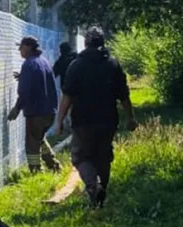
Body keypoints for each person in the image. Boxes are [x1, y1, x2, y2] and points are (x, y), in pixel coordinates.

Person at [53, 27, 137, 208]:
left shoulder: (76, 65)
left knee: (80, 157)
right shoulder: (113, 64)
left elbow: (67, 96)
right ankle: (101, 195)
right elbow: (124, 95)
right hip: (108, 119)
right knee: (103, 156)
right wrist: (130, 117)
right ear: (103, 43)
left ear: (86, 43)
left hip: (83, 120)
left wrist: (59, 121)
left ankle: (93, 186)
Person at [7, 36, 62, 173]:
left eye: (21, 47)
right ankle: (54, 165)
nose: (20, 50)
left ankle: (36, 171)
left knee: (32, 144)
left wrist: (16, 108)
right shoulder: (44, 62)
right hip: (50, 111)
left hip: (36, 112)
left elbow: (25, 91)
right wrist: (23, 76)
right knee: (39, 138)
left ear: (28, 47)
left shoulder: (28, 64)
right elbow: (40, 79)